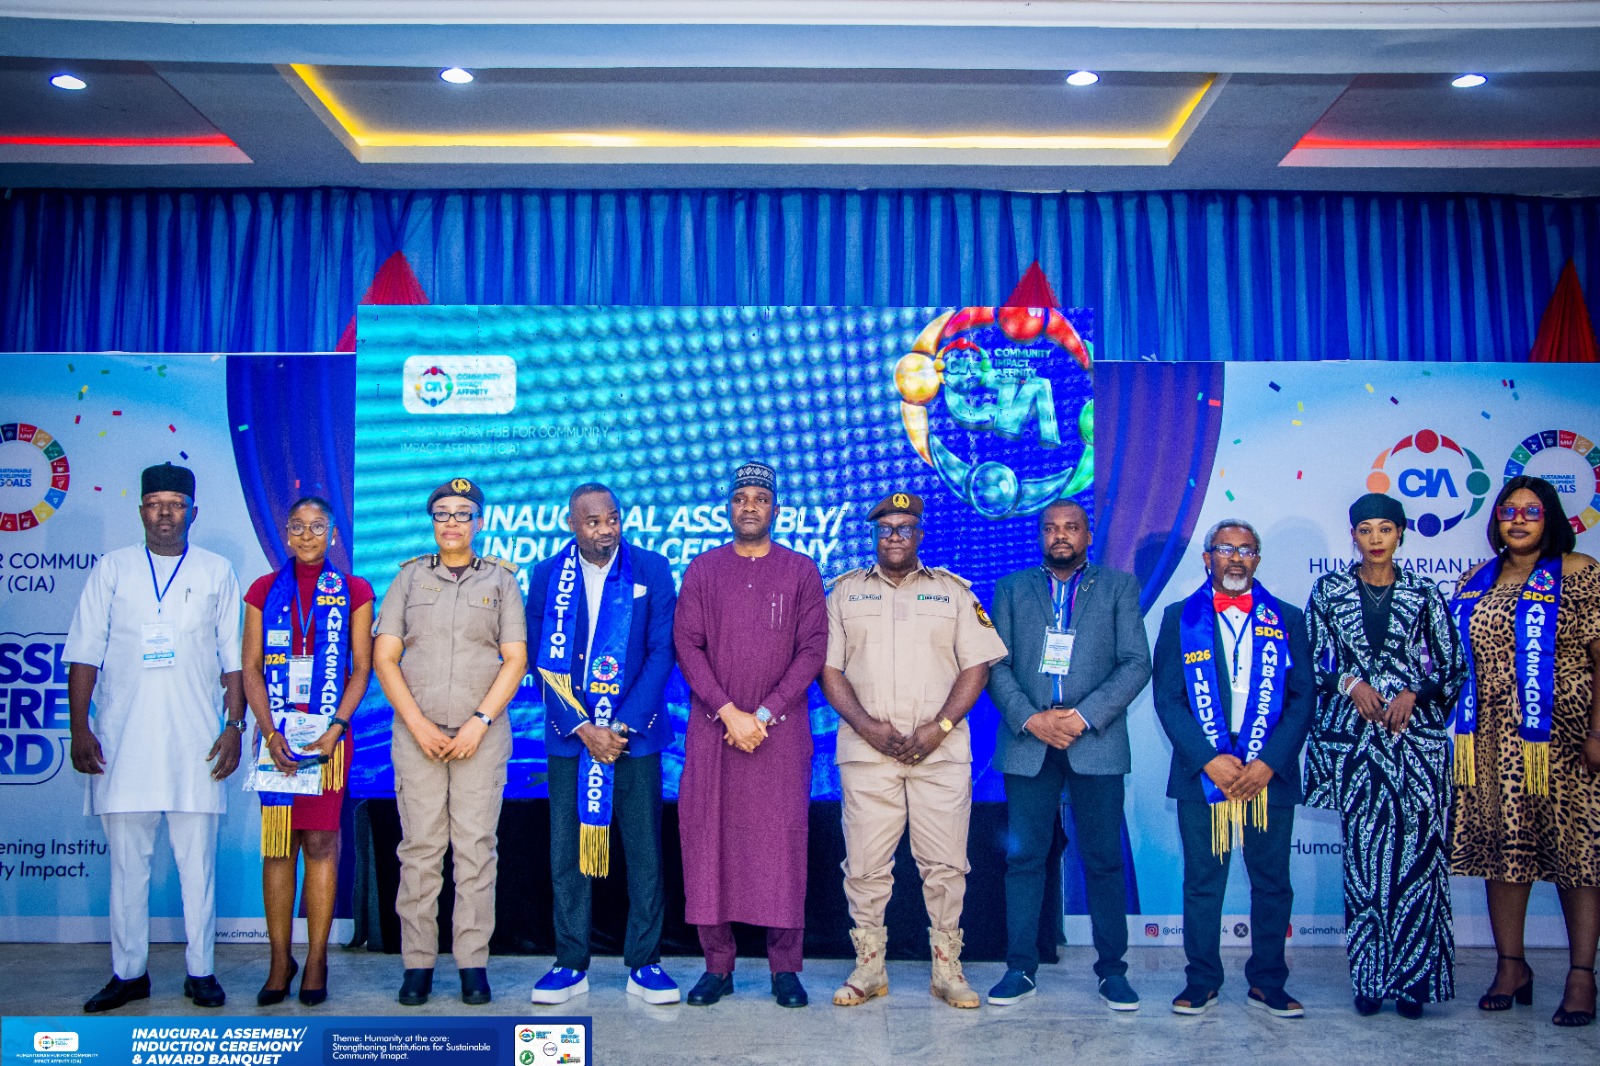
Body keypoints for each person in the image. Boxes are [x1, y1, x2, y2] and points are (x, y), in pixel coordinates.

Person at [66, 463, 245, 1012]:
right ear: (141, 510)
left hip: (197, 743)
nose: (165, 513)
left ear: (194, 512)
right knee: (127, 868)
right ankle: (129, 973)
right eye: (155, 503)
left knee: (198, 868)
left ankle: (201, 971)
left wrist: (234, 726)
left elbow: (234, 660)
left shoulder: (216, 571)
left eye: (176, 504)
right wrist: (79, 728)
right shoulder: (112, 568)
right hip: (122, 743)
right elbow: (84, 652)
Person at [821, 492, 1008, 1009]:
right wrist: (866, 726)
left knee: (946, 866)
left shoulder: (953, 592)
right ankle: (869, 969)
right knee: (864, 865)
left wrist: (940, 727)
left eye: (905, 528)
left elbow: (977, 667)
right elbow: (828, 670)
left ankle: (947, 971)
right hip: (868, 753)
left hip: (939, 755)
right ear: (873, 536)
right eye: (885, 529)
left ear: (920, 535)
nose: (894, 537)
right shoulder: (843, 594)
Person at [986, 499, 1152, 1010]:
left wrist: (1081, 717)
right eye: (1051, 528)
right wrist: (1032, 719)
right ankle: (1020, 968)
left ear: (1087, 534)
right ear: (1041, 535)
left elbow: (1135, 663)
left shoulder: (1119, 587)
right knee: (1024, 859)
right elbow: (994, 664)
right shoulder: (1012, 589)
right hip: (1029, 742)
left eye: (1071, 527)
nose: (1061, 535)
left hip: (1094, 741)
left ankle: (1113, 972)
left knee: (1103, 861)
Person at [1304, 492, 1464, 1019]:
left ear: (1401, 534)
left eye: (1385, 529)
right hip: (1355, 748)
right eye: (1365, 529)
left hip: (1415, 747)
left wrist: (1415, 692)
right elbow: (1308, 658)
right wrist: (1350, 683)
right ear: (1353, 535)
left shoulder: (1425, 593)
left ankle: (1416, 983)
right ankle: (1370, 980)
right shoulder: (1328, 591)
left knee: (1420, 864)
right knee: (1365, 862)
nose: (1375, 539)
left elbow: (1452, 668)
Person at [674, 462, 828, 1009]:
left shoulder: (801, 571)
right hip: (714, 733)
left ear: (776, 510)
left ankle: (785, 968)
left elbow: (813, 649)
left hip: (778, 736)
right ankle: (717, 966)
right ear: (728, 508)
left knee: (781, 846)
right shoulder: (703, 569)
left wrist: (762, 714)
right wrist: (728, 712)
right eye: (741, 499)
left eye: (760, 499)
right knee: (708, 843)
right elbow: (687, 646)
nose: (750, 507)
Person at [1449, 475, 1600, 1027]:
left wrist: (1598, 733)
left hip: (1566, 738)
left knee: (1577, 855)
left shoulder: (1580, 572)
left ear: (1550, 518)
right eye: (1508, 511)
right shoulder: (1474, 580)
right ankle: (1511, 966)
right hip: (1491, 742)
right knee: (1504, 851)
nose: (1517, 520)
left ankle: (1581, 976)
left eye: (1530, 511)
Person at [372, 477, 528, 1007]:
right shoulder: (409, 578)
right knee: (420, 849)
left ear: (479, 522)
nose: (452, 522)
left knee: (475, 850)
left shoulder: (502, 581)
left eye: (463, 513)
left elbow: (515, 659)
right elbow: (385, 656)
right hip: (417, 734)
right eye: (442, 513)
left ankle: (471, 963)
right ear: (432, 521)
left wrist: (479, 721)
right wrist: (417, 723)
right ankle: (417, 963)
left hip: (480, 737)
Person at [526, 483, 681, 1006]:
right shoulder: (547, 575)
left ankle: (646, 963)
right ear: (572, 524)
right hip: (571, 739)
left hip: (634, 738)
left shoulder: (651, 569)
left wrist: (622, 725)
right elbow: (540, 660)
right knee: (566, 855)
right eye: (593, 522)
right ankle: (570, 963)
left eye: (612, 518)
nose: (606, 529)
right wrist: (581, 726)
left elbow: (662, 651)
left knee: (645, 854)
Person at [1152, 519, 1314, 1018]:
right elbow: (1168, 698)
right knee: (1203, 881)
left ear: (1257, 560)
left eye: (1247, 550)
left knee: (1272, 883)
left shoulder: (1288, 617)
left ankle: (1268, 981)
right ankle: (1201, 980)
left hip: (1269, 773)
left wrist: (1268, 762)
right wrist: (1209, 760)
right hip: (1205, 773)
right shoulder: (1179, 618)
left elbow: (1303, 699)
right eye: (1226, 548)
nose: (1237, 558)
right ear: (1208, 558)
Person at [241, 496, 373, 1007]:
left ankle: (316, 959)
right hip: (276, 736)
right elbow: (251, 667)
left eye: (318, 526)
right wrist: (268, 730)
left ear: (333, 534)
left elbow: (361, 668)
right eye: (297, 526)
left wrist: (337, 727)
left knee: (320, 843)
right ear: (285, 533)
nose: (307, 535)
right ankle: (280, 959)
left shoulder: (355, 590)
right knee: (278, 846)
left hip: (329, 739)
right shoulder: (263, 589)